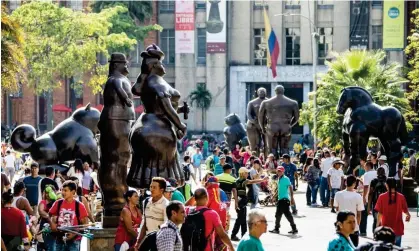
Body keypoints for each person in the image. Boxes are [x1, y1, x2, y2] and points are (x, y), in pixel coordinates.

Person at [49, 180, 89, 251]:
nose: (63, 192)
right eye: (62, 190)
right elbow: (50, 216)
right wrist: (52, 223)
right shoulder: (58, 203)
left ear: (73, 192)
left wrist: (74, 234)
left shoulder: (79, 205)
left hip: (74, 240)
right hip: (59, 238)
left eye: (65, 190)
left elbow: (85, 224)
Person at [231, 168, 268, 241]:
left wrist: (236, 203)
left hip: (240, 201)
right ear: (242, 173)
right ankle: (234, 235)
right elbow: (252, 181)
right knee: (240, 220)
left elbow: (235, 192)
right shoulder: (242, 181)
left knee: (242, 219)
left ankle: (243, 235)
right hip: (241, 202)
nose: (247, 174)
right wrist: (262, 180)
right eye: (246, 173)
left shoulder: (236, 180)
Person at [375, 178, 411, 247]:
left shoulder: (381, 197)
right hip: (398, 228)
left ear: (386, 185)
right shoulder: (401, 197)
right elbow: (405, 210)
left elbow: (380, 213)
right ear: (396, 185)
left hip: (385, 230)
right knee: (397, 248)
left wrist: (377, 226)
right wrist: (408, 215)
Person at [135, 177, 169, 247]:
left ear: (161, 190)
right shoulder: (146, 202)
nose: (151, 189)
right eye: (151, 187)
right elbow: (144, 223)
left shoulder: (166, 205)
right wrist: (138, 241)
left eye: (154, 187)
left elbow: (166, 227)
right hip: (147, 241)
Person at [333, 175, 364, 247]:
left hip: (341, 227)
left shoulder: (338, 194)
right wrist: (357, 226)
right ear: (354, 184)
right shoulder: (358, 196)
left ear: (345, 183)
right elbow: (359, 213)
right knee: (353, 247)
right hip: (353, 227)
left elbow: (337, 209)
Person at [269, 166, 298, 235]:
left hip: (284, 199)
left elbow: (290, 188)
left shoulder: (286, 179)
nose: (279, 172)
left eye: (280, 171)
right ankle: (293, 228)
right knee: (283, 214)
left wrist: (292, 198)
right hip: (280, 199)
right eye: (278, 171)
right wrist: (273, 196)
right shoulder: (279, 179)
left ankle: (277, 228)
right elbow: (279, 189)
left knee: (283, 214)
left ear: (283, 172)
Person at [38, 185, 58, 251]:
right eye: (46, 192)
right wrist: (49, 216)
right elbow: (41, 211)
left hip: (56, 226)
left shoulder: (57, 201)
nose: (47, 194)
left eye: (49, 192)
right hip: (45, 225)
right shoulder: (43, 202)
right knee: (48, 245)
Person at [367, 167, 387, 233]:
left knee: (376, 220)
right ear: (384, 173)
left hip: (376, 204)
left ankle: (375, 234)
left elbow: (370, 194)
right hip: (386, 204)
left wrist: (368, 206)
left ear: (377, 173)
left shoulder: (374, 181)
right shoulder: (387, 181)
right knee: (385, 220)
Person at [360, 161, 377, 236]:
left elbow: (366, 187)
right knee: (375, 215)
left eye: (365, 166)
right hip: (377, 197)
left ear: (368, 166)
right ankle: (375, 232)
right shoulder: (377, 172)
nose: (364, 168)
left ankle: (363, 231)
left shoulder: (366, 174)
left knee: (364, 214)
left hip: (367, 196)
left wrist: (363, 197)